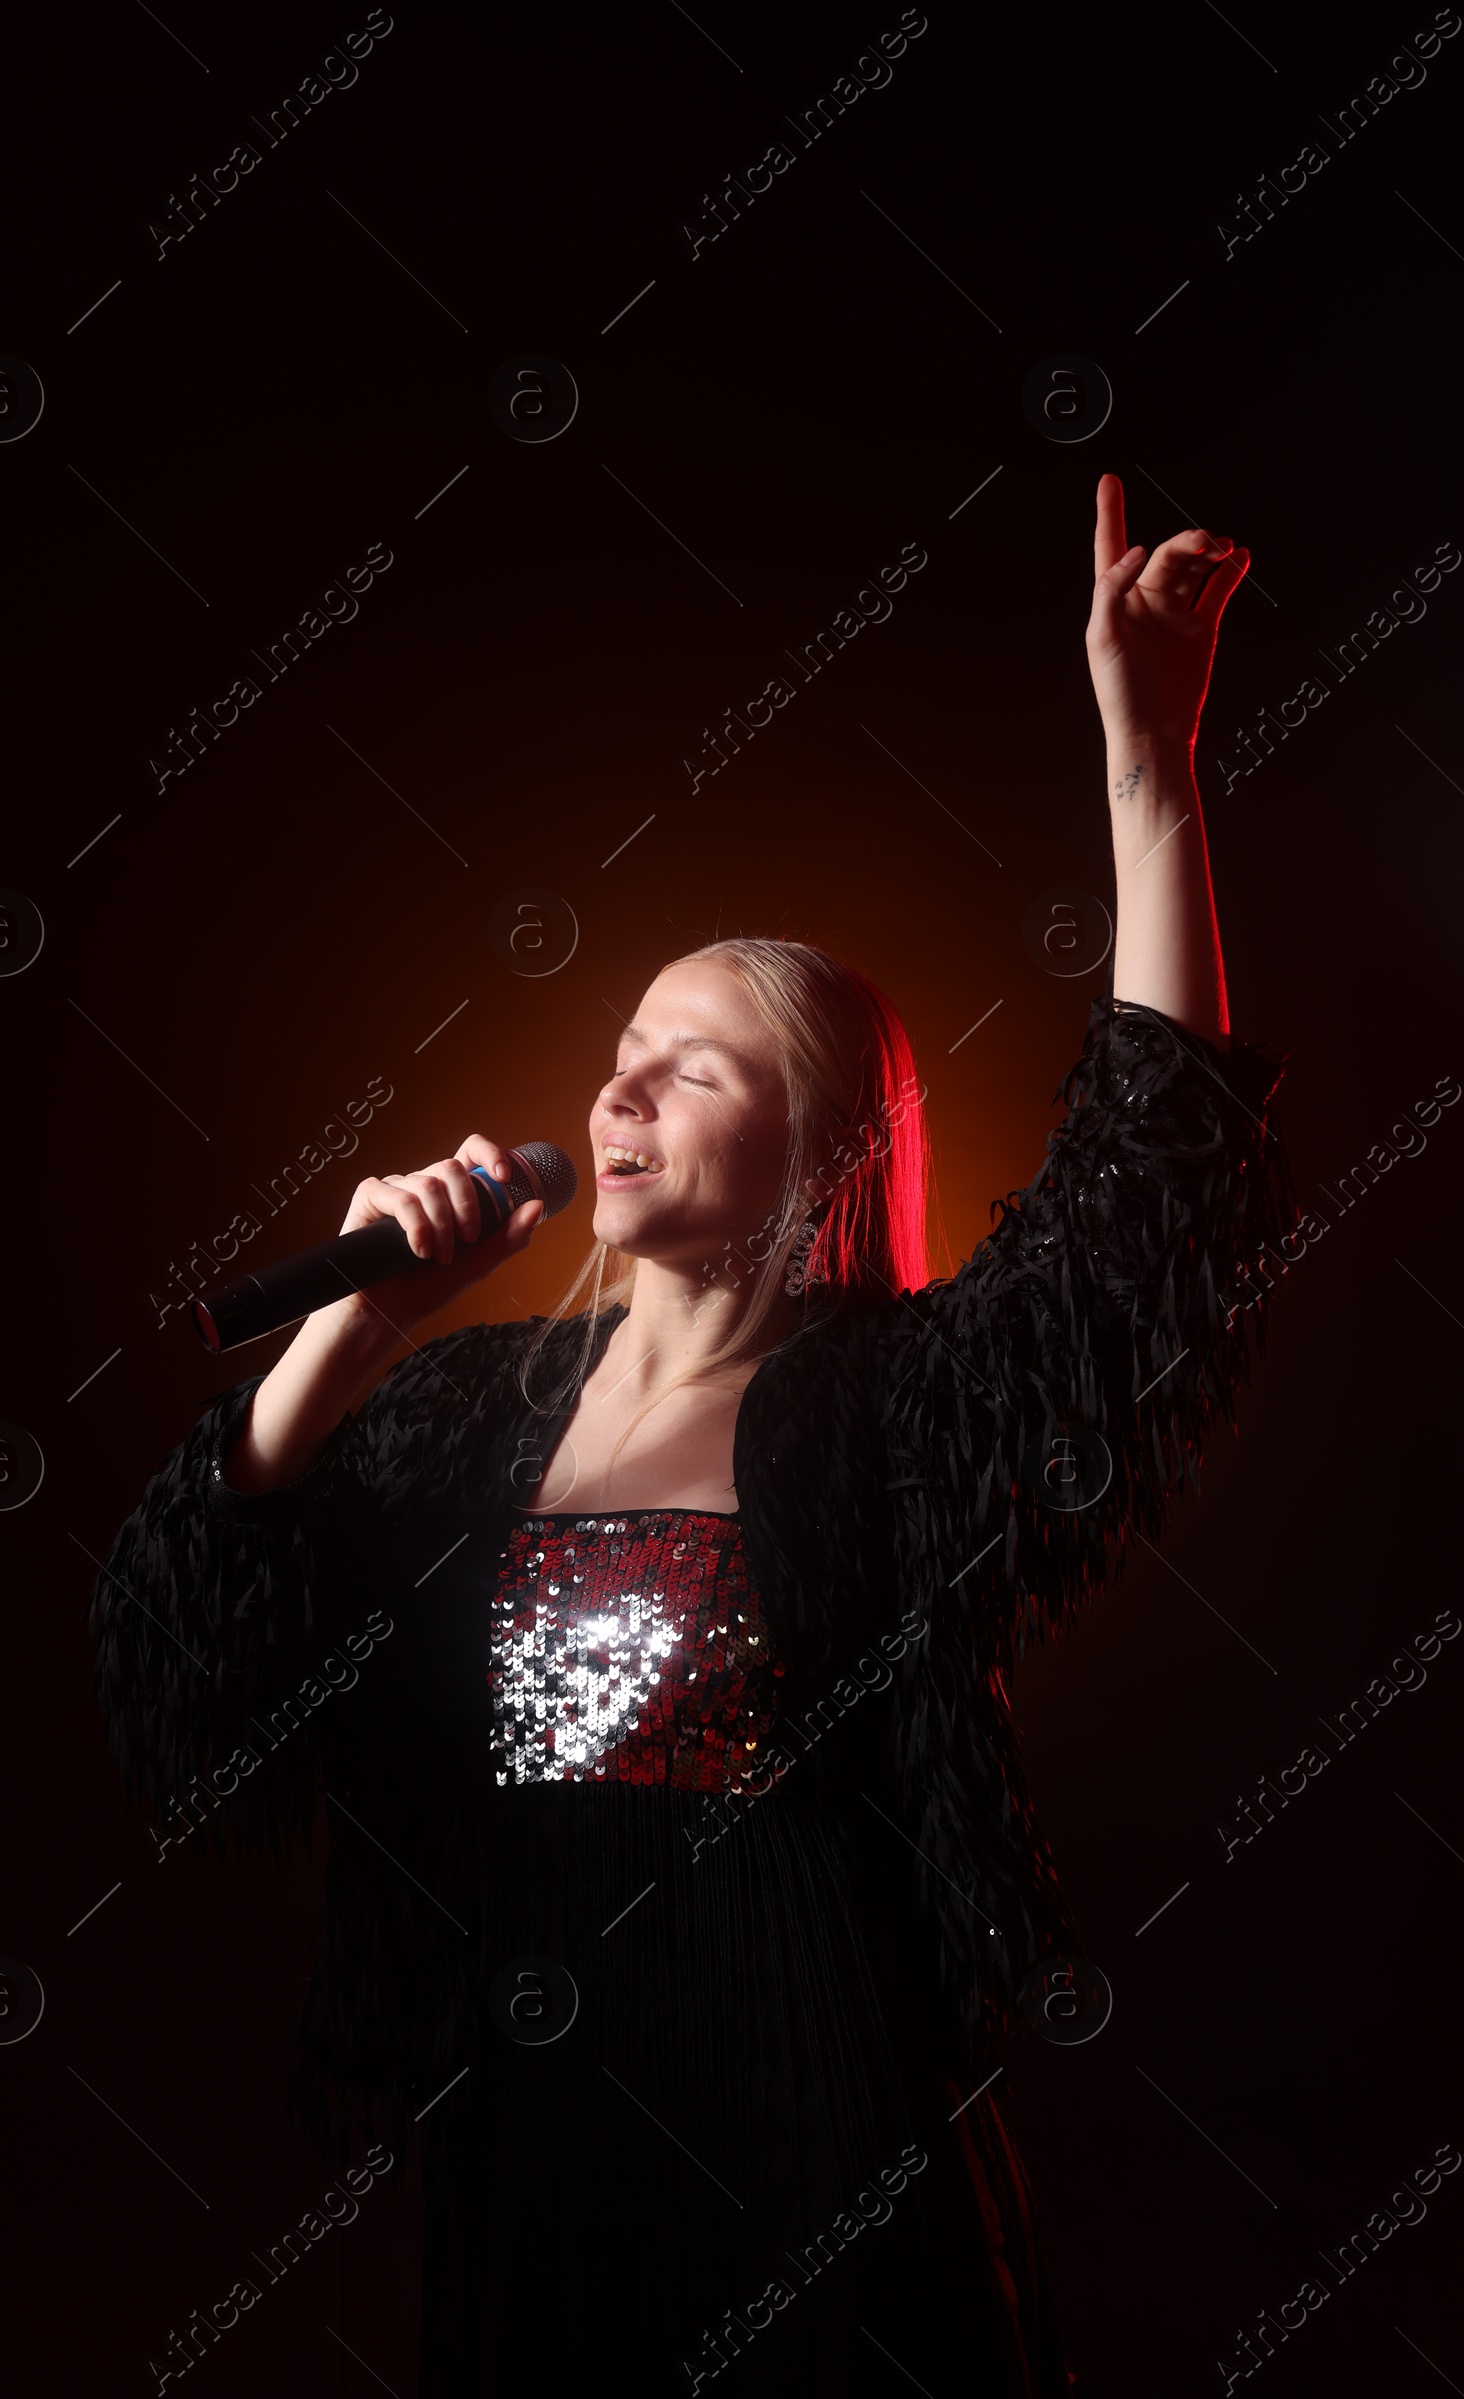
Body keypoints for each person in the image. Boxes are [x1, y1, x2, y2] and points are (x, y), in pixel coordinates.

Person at [91, 475, 1292, 2395]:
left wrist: (1149, 766)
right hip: (538, 2149)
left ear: (819, 1152)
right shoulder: (474, 1413)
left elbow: (1143, 1202)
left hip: (820, 2140)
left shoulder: (886, 1413)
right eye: (621, 1048)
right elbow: (196, 1645)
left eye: (695, 1060)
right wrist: (359, 1324)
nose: (622, 1082)